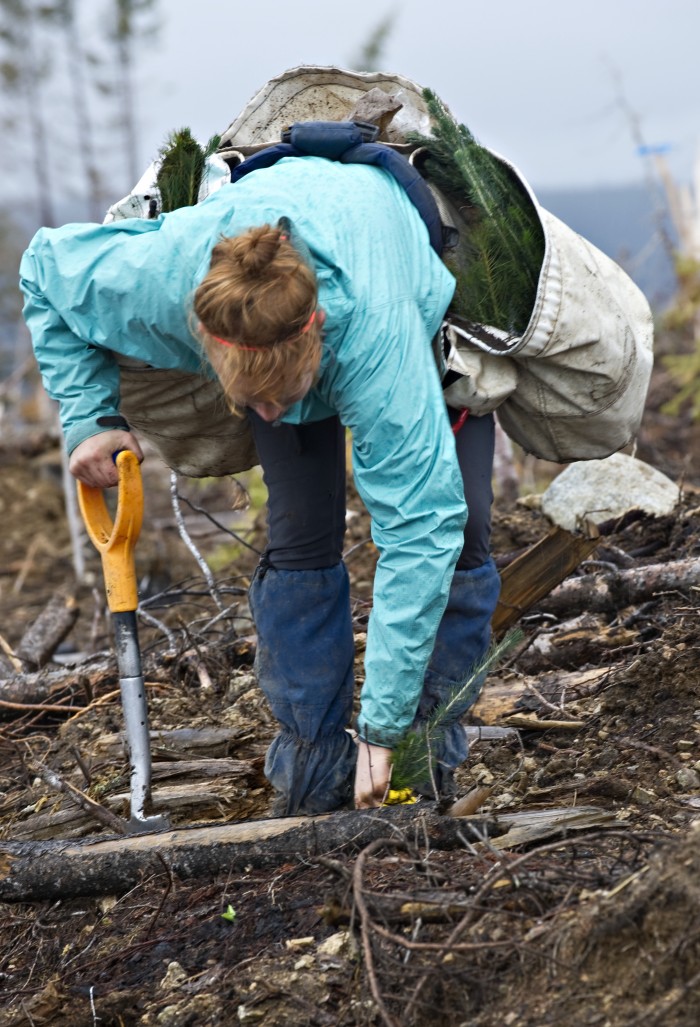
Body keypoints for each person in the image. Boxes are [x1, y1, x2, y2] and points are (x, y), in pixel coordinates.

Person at [20, 148, 501, 814]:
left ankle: (420, 754)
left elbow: (421, 528)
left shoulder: (373, 336)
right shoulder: (167, 280)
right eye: (248, 397)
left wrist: (382, 728)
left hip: (401, 277)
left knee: (464, 527)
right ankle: (313, 765)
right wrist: (90, 417)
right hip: (271, 303)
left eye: (275, 393)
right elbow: (46, 269)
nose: (263, 413)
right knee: (302, 532)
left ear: (316, 341)